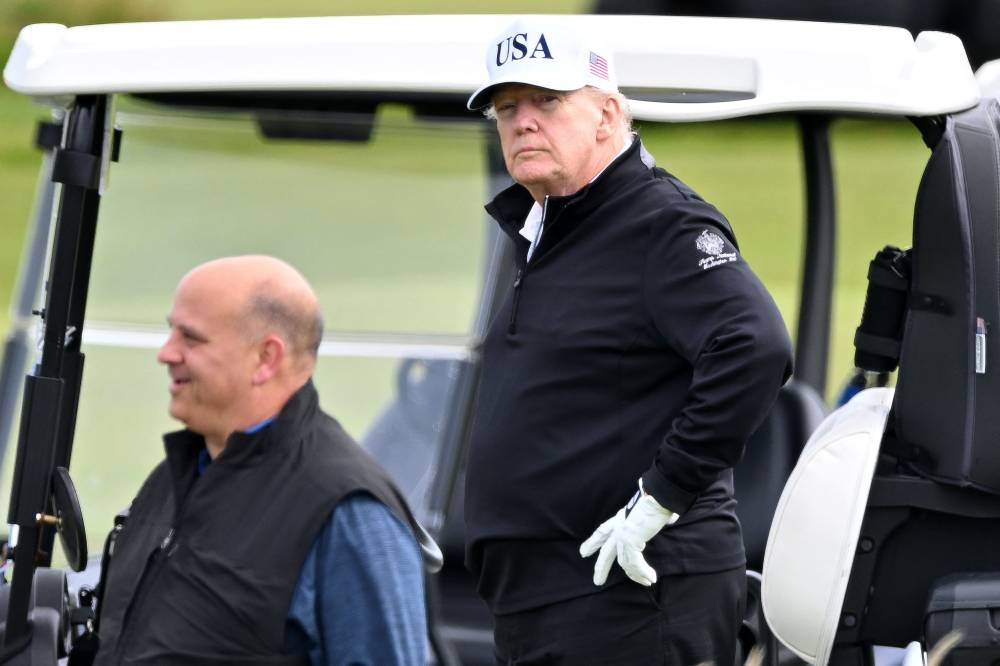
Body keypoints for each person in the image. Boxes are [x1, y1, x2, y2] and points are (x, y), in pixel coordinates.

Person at [463, 17, 794, 666]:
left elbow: (754, 344)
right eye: (507, 108)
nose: (523, 121)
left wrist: (663, 494)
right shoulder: (556, 229)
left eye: (548, 102)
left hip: (633, 595)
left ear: (608, 115)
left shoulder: (660, 222)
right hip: (557, 604)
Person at [94, 255, 429, 665]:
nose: (166, 353)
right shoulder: (177, 474)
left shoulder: (350, 512)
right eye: (170, 333)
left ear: (266, 359)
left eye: (191, 338)